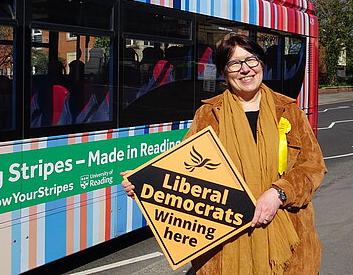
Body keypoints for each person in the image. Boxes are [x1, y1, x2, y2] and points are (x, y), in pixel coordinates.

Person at [121, 34, 326, 275]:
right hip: (225, 245)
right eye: (234, 63)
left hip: (288, 240)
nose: (245, 69)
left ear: (262, 64)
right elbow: (186, 173)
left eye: (251, 60)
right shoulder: (209, 114)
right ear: (223, 72)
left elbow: (312, 167)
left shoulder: (289, 110)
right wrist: (147, 184)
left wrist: (278, 193)